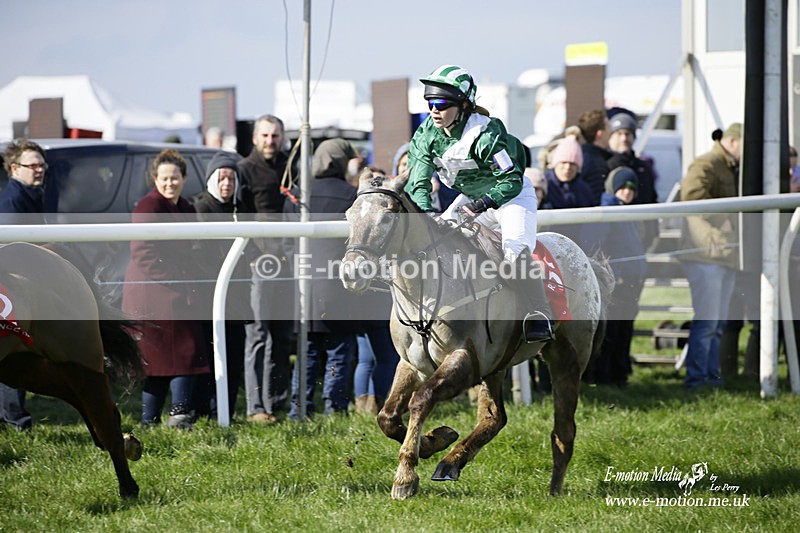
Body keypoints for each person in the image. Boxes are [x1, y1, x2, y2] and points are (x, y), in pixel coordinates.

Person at [405, 64, 553, 342]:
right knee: (435, 242)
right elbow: (419, 180)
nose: (434, 110)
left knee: (515, 252)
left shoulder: (486, 134)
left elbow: (510, 179)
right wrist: (425, 214)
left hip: (511, 197)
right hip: (473, 198)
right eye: (430, 103)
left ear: (463, 105)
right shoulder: (426, 134)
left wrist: (484, 202)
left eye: (441, 104)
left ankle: (539, 313)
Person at [122, 149, 210, 428]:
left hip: (175, 290)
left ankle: (177, 414)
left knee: (185, 354)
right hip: (153, 292)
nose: (169, 183)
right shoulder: (148, 207)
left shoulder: (185, 207)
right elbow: (143, 253)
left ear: (183, 178)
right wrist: (177, 280)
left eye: (175, 178)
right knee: (159, 363)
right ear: (155, 179)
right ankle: (154, 419)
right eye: (164, 178)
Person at [284, 138, 363, 418]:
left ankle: (299, 410)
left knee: (307, 353)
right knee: (339, 352)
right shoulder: (351, 195)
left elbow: (287, 243)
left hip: (304, 284)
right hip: (339, 285)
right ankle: (335, 409)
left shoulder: (298, 195)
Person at [236, 114, 294, 424]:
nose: (271, 141)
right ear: (255, 138)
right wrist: (254, 256)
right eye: (266, 135)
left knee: (283, 336)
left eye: (275, 136)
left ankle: (277, 402)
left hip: (289, 262)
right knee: (257, 335)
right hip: (260, 264)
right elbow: (240, 218)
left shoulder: (290, 167)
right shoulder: (244, 170)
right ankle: (256, 407)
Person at [192, 151, 255, 419]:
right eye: (222, 178)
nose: (227, 184)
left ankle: (226, 410)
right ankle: (205, 409)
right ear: (211, 180)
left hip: (236, 296)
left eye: (231, 178)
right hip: (208, 295)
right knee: (208, 354)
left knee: (233, 355)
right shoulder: (199, 207)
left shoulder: (240, 209)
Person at [678, 123, 742, 389]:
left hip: (720, 253)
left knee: (716, 324)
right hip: (706, 254)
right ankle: (697, 379)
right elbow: (692, 198)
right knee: (708, 323)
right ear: (733, 141)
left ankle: (710, 378)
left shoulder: (724, 165)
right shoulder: (705, 164)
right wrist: (726, 218)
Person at [581, 167, 648, 386]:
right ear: (612, 187)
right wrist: (613, 276)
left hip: (631, 281)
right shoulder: (606, 210)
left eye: (632, 187)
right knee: (611, 332)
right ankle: (604, 376)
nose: (627, 191)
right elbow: (595, 246)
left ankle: (619, 374)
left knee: (624, 330)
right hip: (616, 283)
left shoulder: (628, 212)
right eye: (623, 186)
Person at [0, 139, 47, 431]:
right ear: (15, 168)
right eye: (34, 165)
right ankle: (15, 420)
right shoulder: (12, 201)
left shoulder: (30, 194)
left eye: (43, 165)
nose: (40, 169)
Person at [605, 108, 660, 249]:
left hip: (642, 237)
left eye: (628, 133)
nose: (624, 138)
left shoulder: (643, 167)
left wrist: (653, 231)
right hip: (614, 238)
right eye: (619, 133)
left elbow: (652, 200)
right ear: (610, 137)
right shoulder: (604, 165)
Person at [540, 132, 595, 244]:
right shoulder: (543, 184)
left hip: (576, 245)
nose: (568, 167)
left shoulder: (583, 188)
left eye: (573, 164)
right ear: (555, 163)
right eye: (564, 162)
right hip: (546, 244)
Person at [576, 109, 611, 204]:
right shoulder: (594, 162)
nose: (611, 131)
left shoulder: (585, 156)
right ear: (600, 134)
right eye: (608, 127)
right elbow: (596, 198)